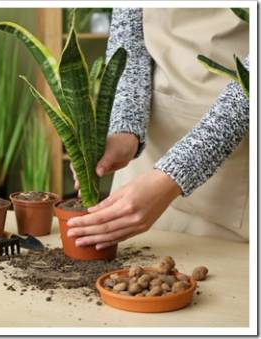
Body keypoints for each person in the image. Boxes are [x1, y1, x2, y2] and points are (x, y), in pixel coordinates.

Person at [67, 8, 250, 249]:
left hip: (235, 153)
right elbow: (129, 37)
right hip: (146, 156)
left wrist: (175, 173)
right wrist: (125, 128)